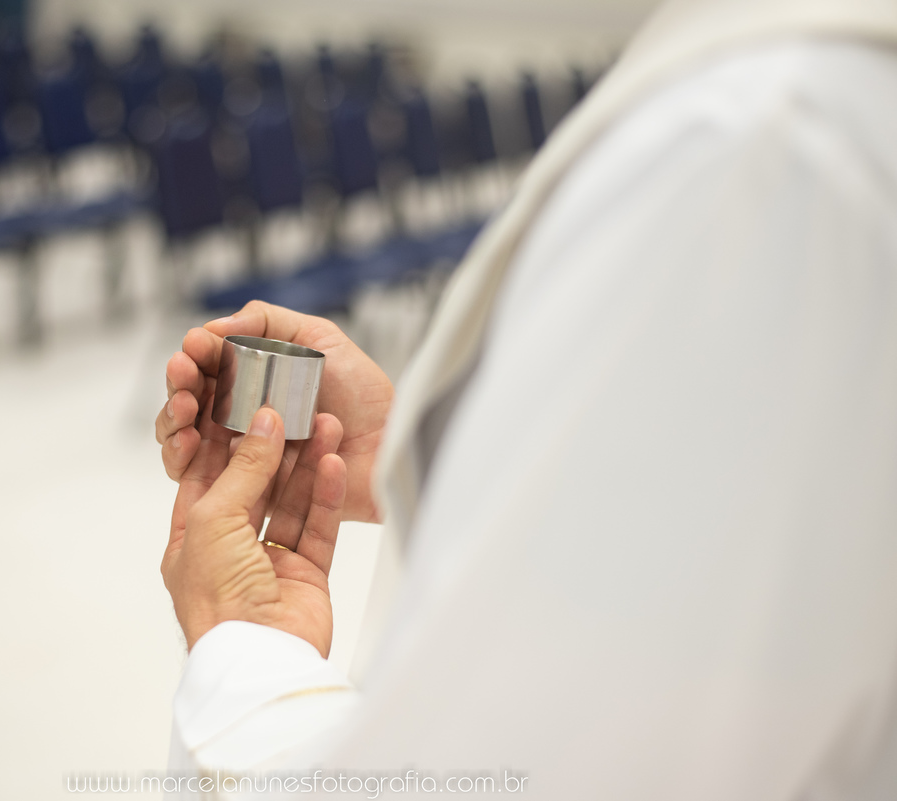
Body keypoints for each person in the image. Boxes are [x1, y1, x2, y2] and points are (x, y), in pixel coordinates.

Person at [154, 0, 897, 797]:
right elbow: (750, 539)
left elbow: (496, 772)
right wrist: (423, 451)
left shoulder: (756, 147)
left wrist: (242, 649)